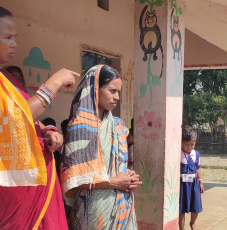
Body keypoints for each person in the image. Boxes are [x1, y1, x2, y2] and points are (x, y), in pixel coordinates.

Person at [0, 6, 79, 229]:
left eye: (14, 37)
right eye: (7, 37)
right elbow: (15, 117)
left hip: (35, 183)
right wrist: (53, 84)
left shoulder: (6, 79)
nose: (14, 43)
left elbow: (26, 116)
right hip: (14, 192)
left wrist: (46, 130)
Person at [61, 65, 142, 229]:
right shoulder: (79, 128)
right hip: (94, 208)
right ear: (94, 89)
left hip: (122, 205)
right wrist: (113, 182)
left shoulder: (117, 126)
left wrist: (128, 176)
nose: (117, 97)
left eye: (118, 92)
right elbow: (74, 178)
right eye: (112, 91)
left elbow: (116, 164)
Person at [179, 126, 204, 230]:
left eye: (192, 144)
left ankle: (192, 223)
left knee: (196, 206)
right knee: (182, 208)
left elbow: (198, 168)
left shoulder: (196, 154)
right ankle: (181, 228)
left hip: (193, 183)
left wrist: (200, 182)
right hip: (182, 184)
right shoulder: (178, 154)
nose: (189, 147)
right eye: (186, 144)